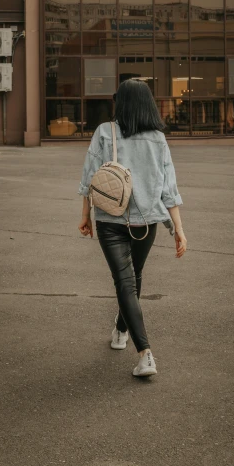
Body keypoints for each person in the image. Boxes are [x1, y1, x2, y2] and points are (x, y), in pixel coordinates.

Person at [78, 79, 187, 378]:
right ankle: (144, 353)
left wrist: (85, 214)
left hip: (111, 219)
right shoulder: (158, 139)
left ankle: (123, 330)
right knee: (128, 280)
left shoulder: (105, 131)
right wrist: (177, 228)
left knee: (130, 280)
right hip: (146, 222)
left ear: (121, 102)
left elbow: (90, 177)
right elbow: (169, 188)